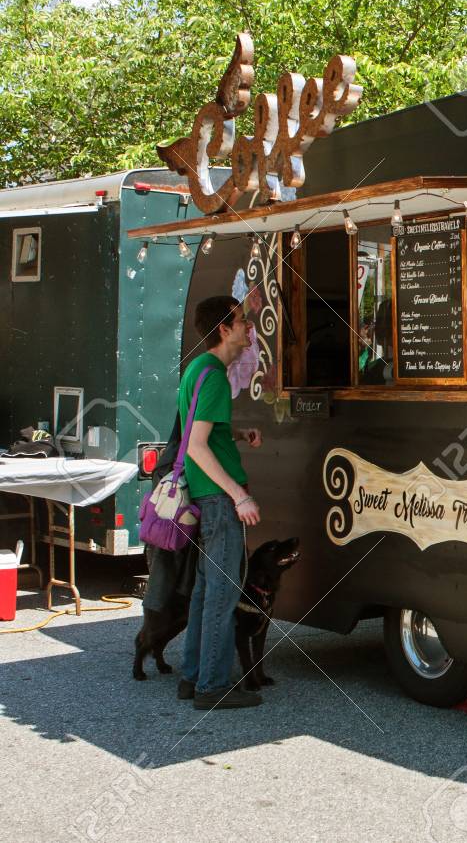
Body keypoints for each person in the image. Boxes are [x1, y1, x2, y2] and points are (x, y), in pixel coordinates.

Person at [177, 296, 265, 710]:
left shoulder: (199, 369)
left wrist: (237, 432)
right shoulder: (213, 377)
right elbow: (196, 446)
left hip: (204, 496)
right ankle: (212, 686)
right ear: (225, 329)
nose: (250, 327)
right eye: (243, 320)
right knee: (222, 594)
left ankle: (192, 676)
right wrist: (239, 494)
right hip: (218, 500)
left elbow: (203, 433)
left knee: (204, 591)